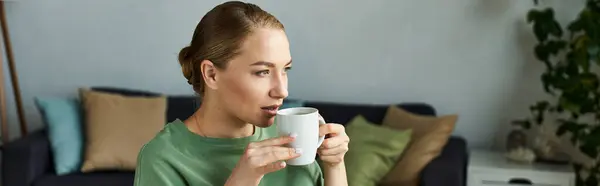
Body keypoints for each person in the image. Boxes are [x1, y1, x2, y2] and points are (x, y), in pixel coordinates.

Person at [133, 1, 349, 186]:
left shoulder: (291, 140)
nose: (282, 90)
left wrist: (335, 166)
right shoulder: (163, 158)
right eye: (262, 72)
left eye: (285, 70)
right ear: (212, 74)